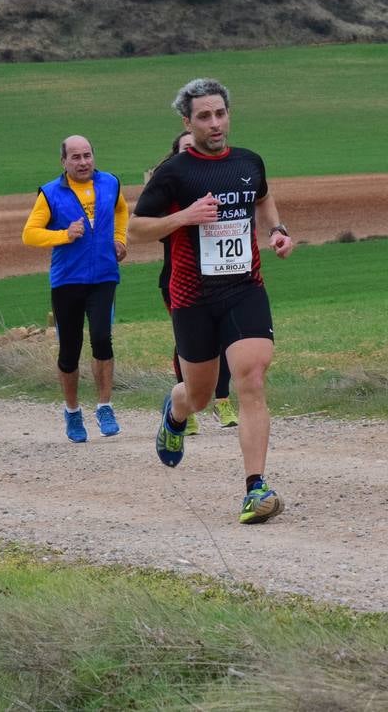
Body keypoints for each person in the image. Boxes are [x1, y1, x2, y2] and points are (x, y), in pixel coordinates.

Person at [130, 78, 295, 524]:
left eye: (220, 113)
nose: (215, 123)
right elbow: (136, 229)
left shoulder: (249, 162)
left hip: (244, 288)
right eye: (204, 116)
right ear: (188, 121)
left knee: (252, 375)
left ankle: (254, 488)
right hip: (192, 297)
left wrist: (277, 231)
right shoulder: (174, 172)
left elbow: (262, 198)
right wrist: (185, 216)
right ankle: (176, 409)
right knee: (200, 395)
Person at [21, 135, 127, 442]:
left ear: (94, 156)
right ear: (64, 162)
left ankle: (105, 406)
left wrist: (121, 238)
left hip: (105, 275)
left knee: (102, 338)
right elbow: (29, 234)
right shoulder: (51, 193)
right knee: (70, 349)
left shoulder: (110, 183)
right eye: (76, 158)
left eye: (87, 156)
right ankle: (72, 412)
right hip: (67, 280)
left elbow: (122, 211)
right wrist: (64, 235)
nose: (83, 163)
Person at [154, 130, 236, 434]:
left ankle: (223, 400)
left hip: (221, 277)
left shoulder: (216, 183)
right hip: (177, 280)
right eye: (184, 149)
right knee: (190, 343)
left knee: (225, 339)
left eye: (195, 148)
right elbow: (154, 231)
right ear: (176, 154)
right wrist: (185, 215)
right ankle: (185, 405)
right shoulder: (167, 189)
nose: (191, 153)